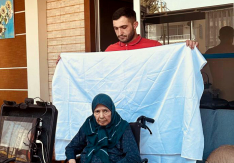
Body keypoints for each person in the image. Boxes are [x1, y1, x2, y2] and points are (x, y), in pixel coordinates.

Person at [56, 7, 198, 63]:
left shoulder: (154, 47)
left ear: (135, 25)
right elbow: (92, 70)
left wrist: (188, 50)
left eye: (123, 27)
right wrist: (67, 62)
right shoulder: (110, 50)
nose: (119, 33)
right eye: (116, 28)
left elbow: (173, 64)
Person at [202, 26, 234, 100]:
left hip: (218, 95)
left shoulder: (210, 52)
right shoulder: (210, 53)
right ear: (232, 37)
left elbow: (200, 72)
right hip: (220, 94)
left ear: (219, 37)